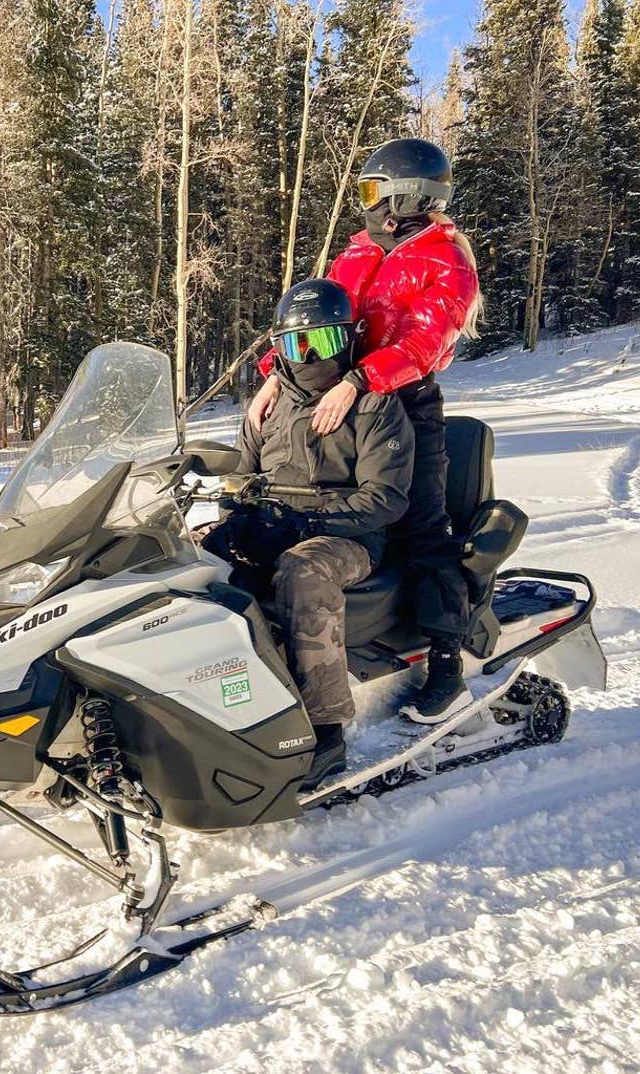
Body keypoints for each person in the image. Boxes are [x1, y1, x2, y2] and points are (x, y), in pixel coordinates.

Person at [247, 137, 481, 724]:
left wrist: (360, 380)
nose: (367, 203)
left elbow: (426, 341)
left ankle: (447, 663)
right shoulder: (357, 250)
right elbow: (318, 319)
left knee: (422, 525)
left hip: (402, 395)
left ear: (411, 194)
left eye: (376, 191)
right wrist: (278, 373)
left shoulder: (443, 258)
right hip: (330, 394)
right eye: (365, 191)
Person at [204, 279, 415, 790]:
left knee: (304, 572)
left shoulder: (373, 406)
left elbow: (385, 498)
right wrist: (235, 516)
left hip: (348, 537)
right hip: (277, 523)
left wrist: (310, 523)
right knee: (194, 559)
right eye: (297, 345)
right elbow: (241, 477)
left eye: (322, 343)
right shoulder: (267, 407)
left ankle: (324, 730)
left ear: (346, 341)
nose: (309, 356)